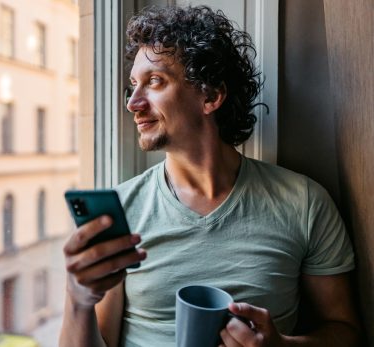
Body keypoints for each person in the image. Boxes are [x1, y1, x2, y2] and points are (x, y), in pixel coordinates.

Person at [59, 5, 360, 347]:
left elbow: (346, 332)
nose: (133, 103)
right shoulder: (121, 212)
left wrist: (282, 346)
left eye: (154, 81)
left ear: (211, 96)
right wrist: (77, 299)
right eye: (133, 86)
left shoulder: (304, 203)